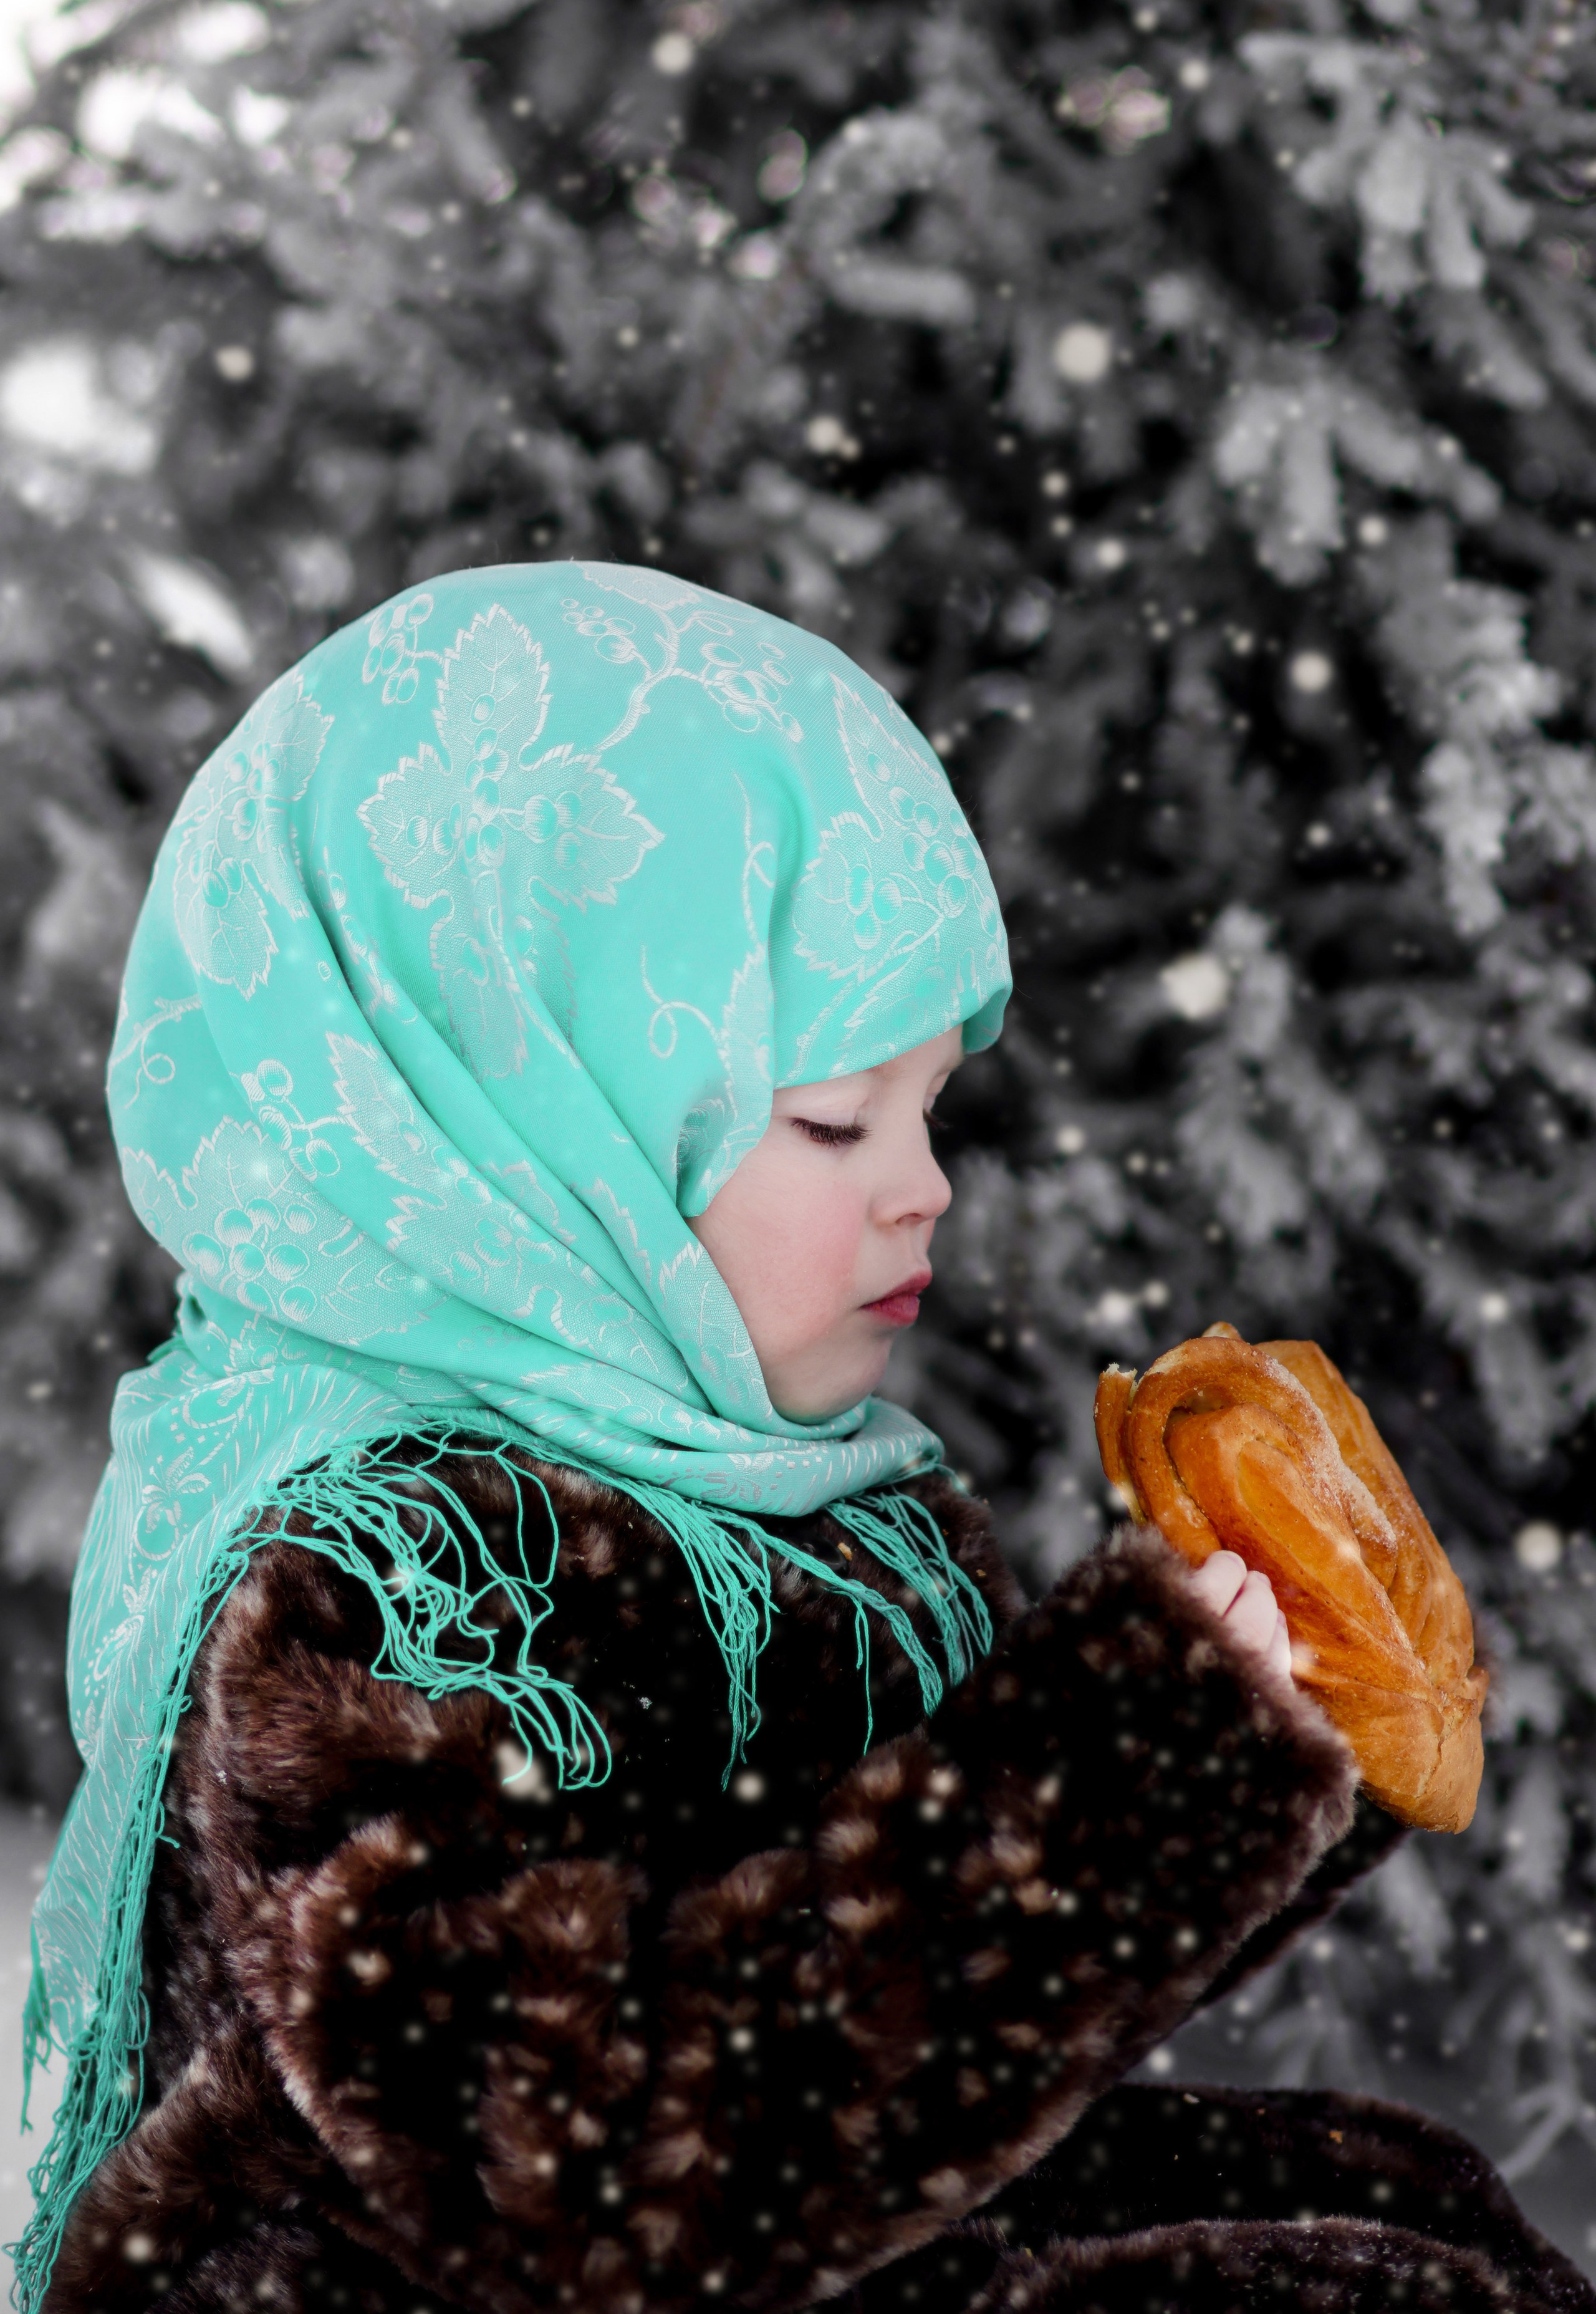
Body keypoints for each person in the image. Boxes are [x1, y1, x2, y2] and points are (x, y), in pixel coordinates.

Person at [21, 565, 1590, 2314]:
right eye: (836, 1120)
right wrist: (1136, 1770)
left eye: (932, 1106)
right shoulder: (396, 1584)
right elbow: (593, 2170)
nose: (927, 1187)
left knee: (1400, 2205)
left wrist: (1275, 1723)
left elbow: (943, 2030)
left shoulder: (798, 1509)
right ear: (541, 1121)